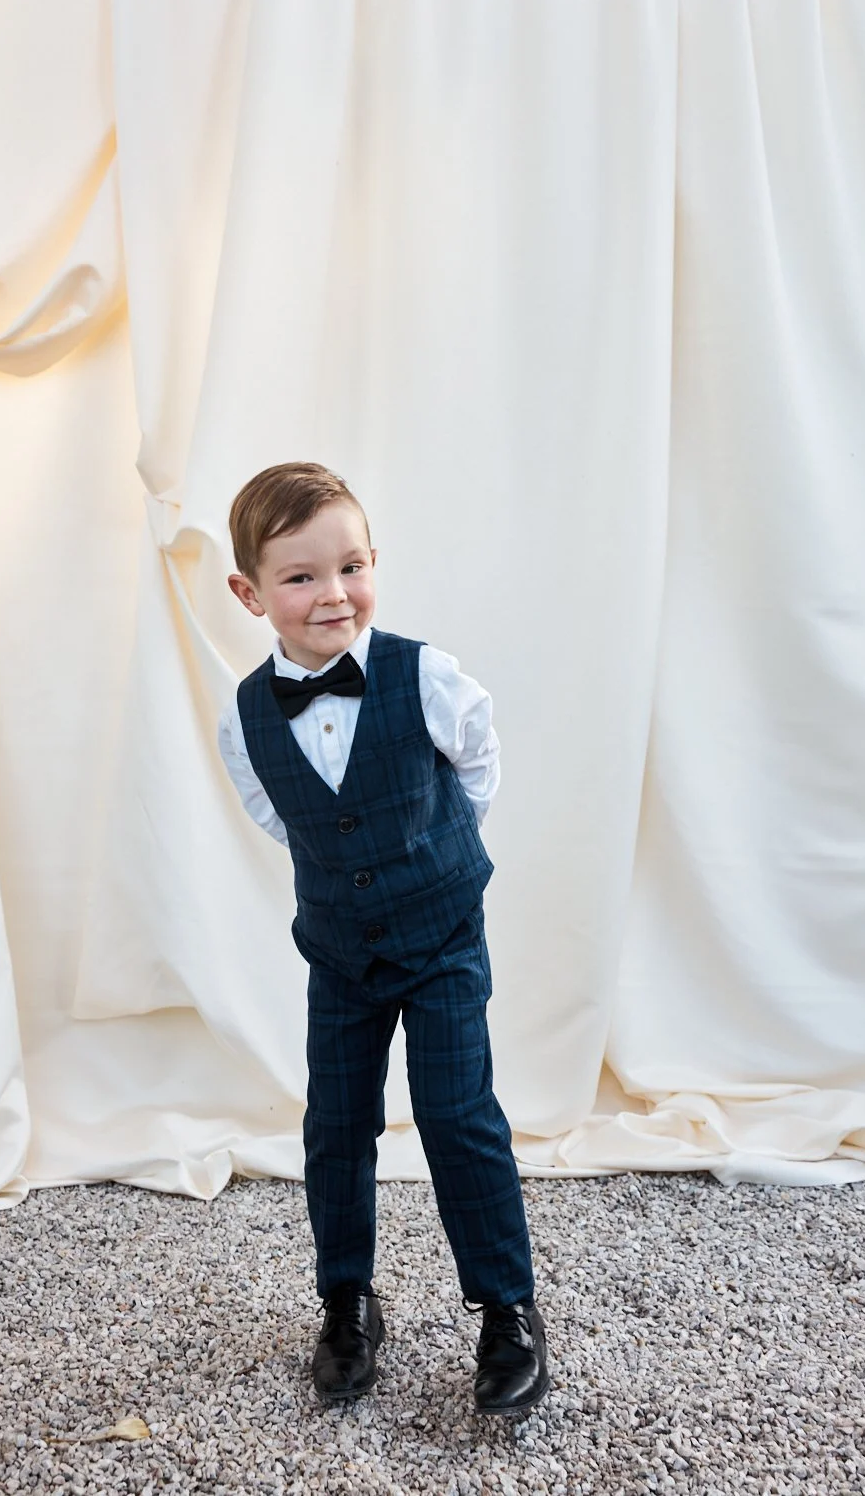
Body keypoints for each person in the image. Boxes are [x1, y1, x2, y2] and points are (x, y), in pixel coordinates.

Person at [217, 461, 548, 1415]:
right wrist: (346, 872)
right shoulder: (246, 716)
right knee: (335, 1127)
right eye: (300, 577)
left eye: (352, 566)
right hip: (339, 953)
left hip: (443, 938)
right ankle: (347, 1302)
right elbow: (279, 813)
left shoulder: (426, 673)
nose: (333, 593)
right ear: (250, 594)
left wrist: (437, 853)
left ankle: (507, 1309)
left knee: (457, 1117)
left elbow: (475, 763)